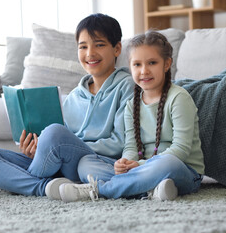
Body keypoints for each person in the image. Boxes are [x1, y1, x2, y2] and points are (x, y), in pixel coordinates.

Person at [0, 13, 134, 198]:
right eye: (83, 46)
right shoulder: (73, 96)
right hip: (60, 166)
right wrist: (39, 149)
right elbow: (57, 145)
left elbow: (120, 142)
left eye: (99, 45)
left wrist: (64, 144)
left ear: (117, 48)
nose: (90, 53)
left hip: (95, 161)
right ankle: (45, 187)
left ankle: (14, 185)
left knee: (54, 133)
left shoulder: (127, 86)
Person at [56, 30, 205, 202]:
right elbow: (131, 147)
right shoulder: (131, 104)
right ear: (130, 66)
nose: (144, 71)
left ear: (166, 64)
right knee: (86, 164)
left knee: (167, 163)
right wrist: (125, 162)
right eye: (137, 65)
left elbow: (181, 150)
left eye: (152, 63)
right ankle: (150, 190)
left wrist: (140, 165)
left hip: (183, 171)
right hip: (141, 170)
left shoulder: (179, 98)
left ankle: (101, 190)